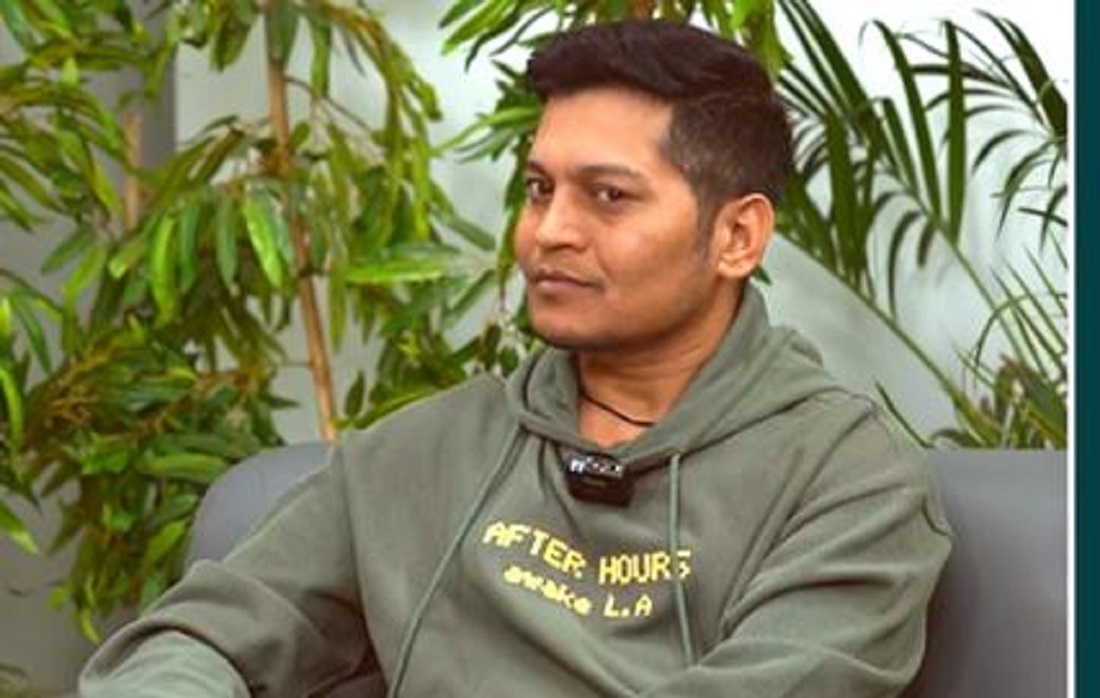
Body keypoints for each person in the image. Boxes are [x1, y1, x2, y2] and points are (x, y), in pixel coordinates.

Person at [79, 19, 952, 698]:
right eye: (539, 189)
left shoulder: (847, 481)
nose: (548, 231)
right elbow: (199, 638)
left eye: (607, 196)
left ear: (737, 236)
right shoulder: (420, 453)